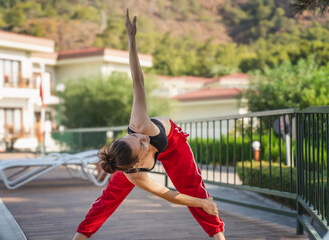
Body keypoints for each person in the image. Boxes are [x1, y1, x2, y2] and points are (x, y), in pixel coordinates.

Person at [73, 9, 225, 240]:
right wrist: (201, 203)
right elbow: (168, 195)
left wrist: (131, 40)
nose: (142, 137)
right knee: (108, 199)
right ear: (136, 163)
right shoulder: (134, 174)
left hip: (172, 144)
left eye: (133, 136)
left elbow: (137, 80)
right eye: (141, 144)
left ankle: (219, 237)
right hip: (136, 161)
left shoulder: (140, 124)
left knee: (193, 187)